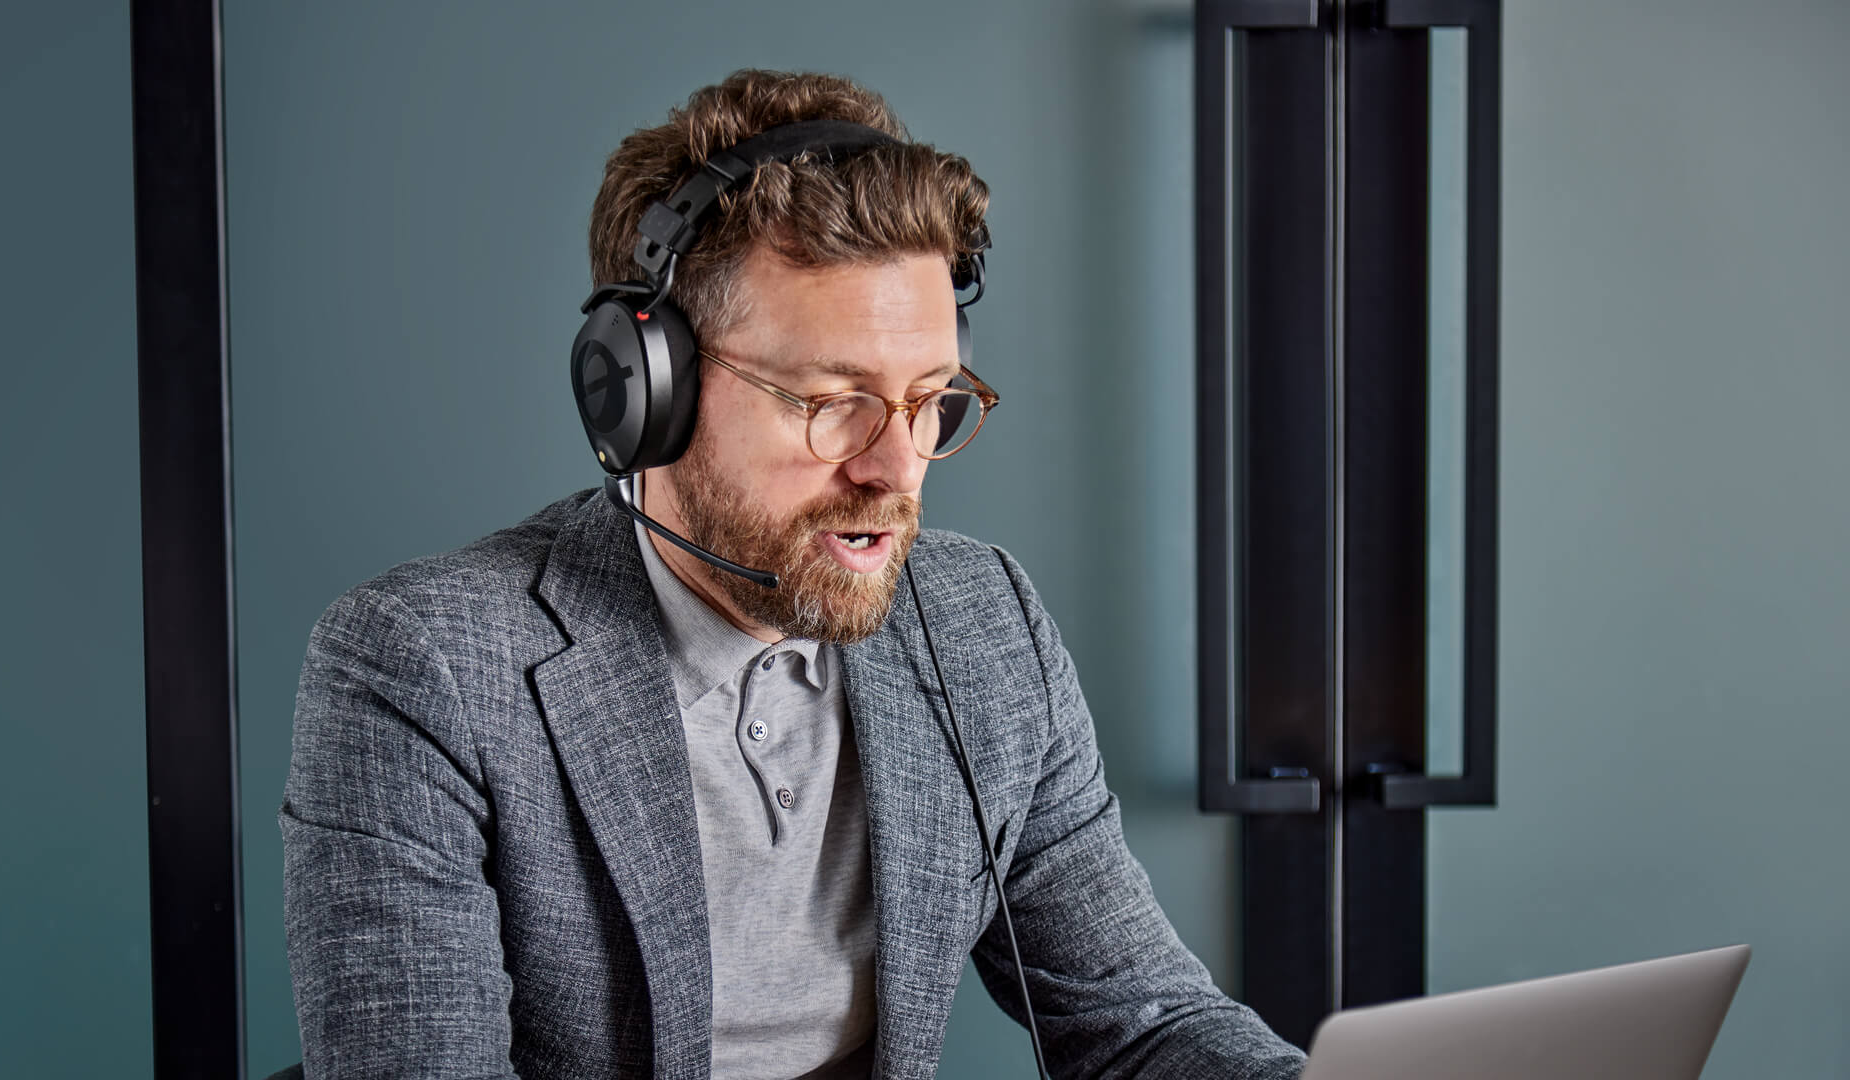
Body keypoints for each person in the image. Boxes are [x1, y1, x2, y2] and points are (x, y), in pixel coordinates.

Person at [281, 69, 1305, 1080]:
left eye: (930, 399)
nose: (896, 468)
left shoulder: (985, 626)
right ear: (646, 395)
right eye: (831, 401)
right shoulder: (427, 670)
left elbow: (1144, 1025)